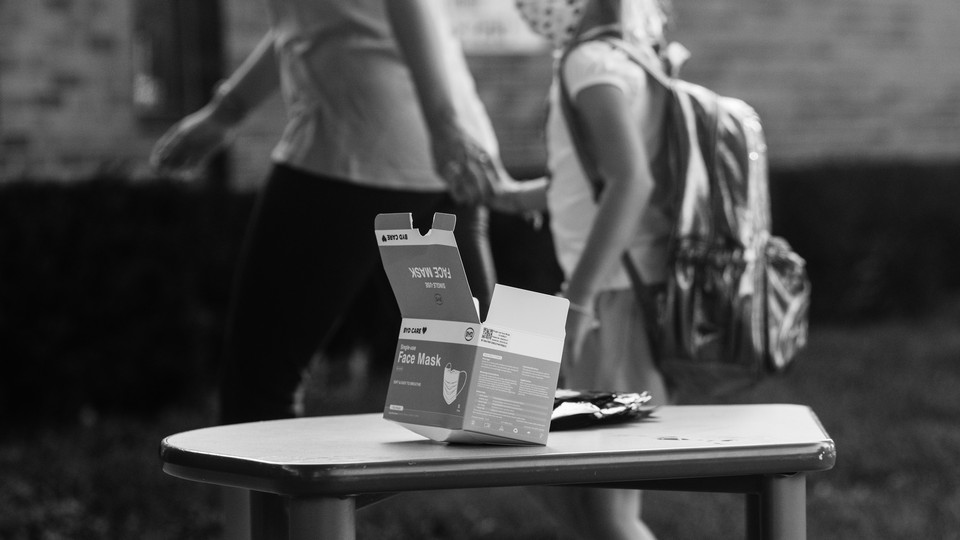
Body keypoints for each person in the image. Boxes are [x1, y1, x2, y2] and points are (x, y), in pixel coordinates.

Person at [150, 0, 505, 425]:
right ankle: (590, 484)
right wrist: (227, 112)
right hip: (441, 162)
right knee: (481, 397)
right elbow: (303, 19)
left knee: (257, 392)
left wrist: (444, 127)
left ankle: (312, 493)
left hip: (357, 149)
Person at [496, 0, 676, 538]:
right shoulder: (634, 53)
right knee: (577, 488)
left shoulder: (589, 61)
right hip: (633, 293)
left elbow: (632, 182)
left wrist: (579, 302)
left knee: (606, 515)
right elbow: (590, 181)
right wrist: (515, 198)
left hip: (615, 301)